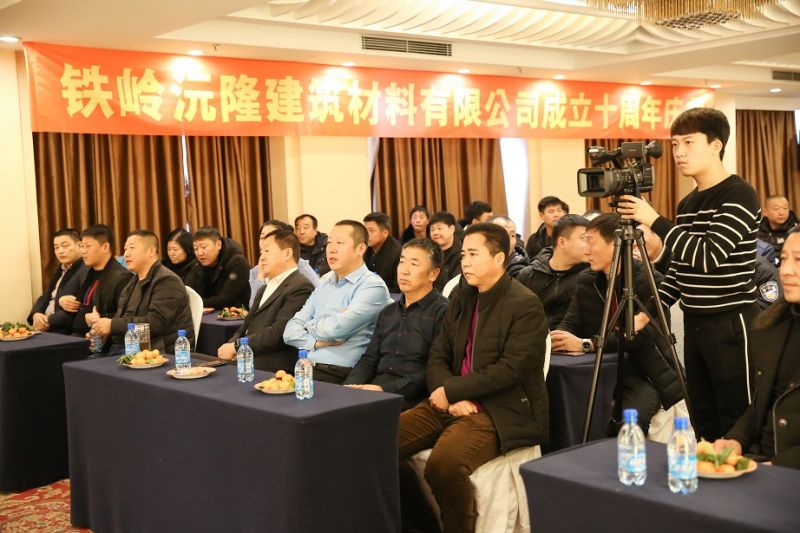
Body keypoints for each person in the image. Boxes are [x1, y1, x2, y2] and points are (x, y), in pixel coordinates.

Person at [617, 107, 761, 441]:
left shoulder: (738, 193)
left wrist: (654, 220)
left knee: (737, 418)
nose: (679, 152)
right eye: (675, 144)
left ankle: (742, 473)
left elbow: (707, 257)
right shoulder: (688, 203)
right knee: (702, 417)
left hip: (731, 321)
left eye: (689, 142)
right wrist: (648, 312)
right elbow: (681, 270)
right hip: (696, 322)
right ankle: (706, 469)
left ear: (716, 145)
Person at [398, 223, 549, 533]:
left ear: (499, 258)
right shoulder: (463, 296)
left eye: (473, 254)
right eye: (463, 254)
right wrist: (448, 392)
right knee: (377, 441)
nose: (464, 262)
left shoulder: (524, 303)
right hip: (450, 400)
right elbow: (438, 353)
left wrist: (452, 390)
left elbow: (512, 369)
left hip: (500, 409)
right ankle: (419, 524)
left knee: (444, 465)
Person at [552, 214, 683, 435]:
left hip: (644, 370)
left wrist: (587, 344)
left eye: (591, 242)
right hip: (600, 369)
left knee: (629, 423)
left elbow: (641, 336)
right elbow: (571, 322)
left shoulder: (649, 280)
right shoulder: (587, 280)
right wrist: (559, 338)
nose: (586, 250)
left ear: (615, 243)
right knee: (569, 411)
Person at [714, 227, 800, 469]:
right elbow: (762, 405)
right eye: (784, 259)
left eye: (798, 260)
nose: (786, 270)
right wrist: (736, 439)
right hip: (763, 460)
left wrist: (779, 465)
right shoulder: (773, 326)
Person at [283, 220, 392, 384]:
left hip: (339, 373)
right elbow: (289, 332)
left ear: (360, 249)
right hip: (306, 368)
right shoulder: (324, 283)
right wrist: (317, 342)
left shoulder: (371, 286)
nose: (331, 249)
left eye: (340, 243)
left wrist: (308, 325)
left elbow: (337, 330)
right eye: (329, 243)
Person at [344, 238, 448, 409]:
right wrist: (349, 387)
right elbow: (369, 359)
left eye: (414, 264)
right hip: (374, 392)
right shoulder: (387, 312)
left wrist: (383, 389)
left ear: (433, 274)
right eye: (402, 262)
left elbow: (434, 368)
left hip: (413, 398)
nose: (404, 271)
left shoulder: (443, 312)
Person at [219, 229, 314, 371]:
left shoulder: (301, 286)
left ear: (287, 253)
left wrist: (237, 346)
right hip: (249, 359)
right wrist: (232, 344)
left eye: (267, 251)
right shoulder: (264, 288)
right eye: (261, 252)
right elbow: (247, 326)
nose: (261, 258)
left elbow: (279, 332)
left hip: (274, 366)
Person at [87, 230, 194, 355]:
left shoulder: (167, 281)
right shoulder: (133, 282)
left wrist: (111, 325)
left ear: (151, 251)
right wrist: (104, 333)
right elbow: (123, 320)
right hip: (129, 348)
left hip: (156, 353)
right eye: (125, 249)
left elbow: (155, 323)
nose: (126, 254)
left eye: (132, 248)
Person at [57, 224, 132, 339]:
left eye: (88, 246)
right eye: (81, 246)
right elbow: (65, 294)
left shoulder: (122, 277)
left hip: (99, 340)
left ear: (105, 247)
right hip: (72, 333)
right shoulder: (85, 271)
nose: (83, 251)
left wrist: (96, 321)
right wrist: (62, 300)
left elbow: (122, 318)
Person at [517, 214, 590, 330]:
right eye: (584, 239)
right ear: (562, 242)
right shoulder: (528, 275)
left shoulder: (590, 276)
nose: (590, 245)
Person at [248, 220, 318, 308]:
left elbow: (319, 295)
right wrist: (260, 278)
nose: (265, 241)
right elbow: (253, 308)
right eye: (262, 237)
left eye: (271, 236)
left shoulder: (300, 265)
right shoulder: (255, 272)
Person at [28, 228, 85, 333]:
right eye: (56, 247)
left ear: (79, 245)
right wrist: (36, 314)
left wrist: (47, 321)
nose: (60, 251)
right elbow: (46, 296)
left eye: (65, 246)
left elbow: (76, 307)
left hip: (62, 329)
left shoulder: (85, 269)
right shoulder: (61, 268)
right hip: (47, 326)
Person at [184, 226, 251, 310]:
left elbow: (225, 298)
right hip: (209, 311)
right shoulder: (199, 262)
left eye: (204, 247)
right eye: (196, 249)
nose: (200, 253)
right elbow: (188, 291)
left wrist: (197, 303)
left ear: (218, 244)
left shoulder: (237, 262)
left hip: (235, 313)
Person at [363, 212, 402, 293]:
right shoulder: (365, 249)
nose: (366, 234)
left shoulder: (397, 253)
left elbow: (398, 287)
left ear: (385, 233)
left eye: (371, 230)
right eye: (365, 230)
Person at [429, 211, 462, 291]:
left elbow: (456, 285)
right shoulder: (428, 252)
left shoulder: (462, 254)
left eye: (439, 228)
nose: (435, 233)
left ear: (452, 229)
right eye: (432, 229)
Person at [758, 195, 798, 259]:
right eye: (776, 209)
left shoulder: (796, 230)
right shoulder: (758, 230)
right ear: (765, 212)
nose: (782, 213)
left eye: (785, 208)